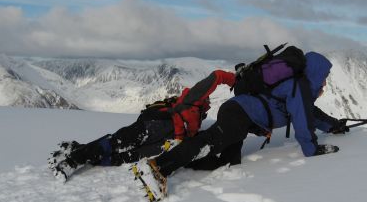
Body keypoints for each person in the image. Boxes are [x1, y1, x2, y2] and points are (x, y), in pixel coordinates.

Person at [138, 50, 348, 196]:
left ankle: (180, 157)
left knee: (227, 161)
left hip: (238, 113)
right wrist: (311, 149)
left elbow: (310, 113)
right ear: (315, 74)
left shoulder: (297, 88)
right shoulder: (298, 86)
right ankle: (159, 168)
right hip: (238, 114)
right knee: (210, 142)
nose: (325, 83)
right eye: (324, 77)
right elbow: (303, 119)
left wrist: (334, 125)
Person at [49, 69, 236, 181]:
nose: (209, 102)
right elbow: (217, 76)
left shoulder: (199, 117)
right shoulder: (192, 99)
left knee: (124, 157)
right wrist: (234, 79)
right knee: (116, 143)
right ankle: (72, 161)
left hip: (162, 142)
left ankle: (78, 150)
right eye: (207, 100)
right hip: (154, 125)